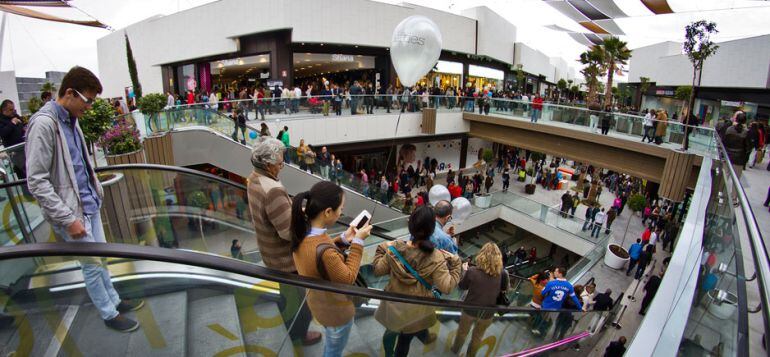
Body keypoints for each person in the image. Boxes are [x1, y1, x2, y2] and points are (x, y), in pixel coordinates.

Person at [25, 66, 144, 332]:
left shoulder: (70, 120)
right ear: (70, 93)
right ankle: (108, 313)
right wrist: (68, 220)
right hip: (72, 214)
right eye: (87, 100)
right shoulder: (44, 124)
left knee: (99, 259)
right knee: (91, 265)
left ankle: (113, 299)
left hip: (88, 204)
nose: (89, 107)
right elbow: (36, 181)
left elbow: (77, 163)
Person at [246, 136, 321, 346]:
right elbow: (288, 233)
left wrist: (294, 211)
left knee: (286, 293)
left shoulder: (253, 178)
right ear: (268, 164)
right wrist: (311, 221)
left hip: (268, 251)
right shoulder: (273, 190)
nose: (283, 166)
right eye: (280, 163)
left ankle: (291, 325)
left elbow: (274, 214)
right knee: (302, 303)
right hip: (284, 259)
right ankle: (299, 334)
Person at [291, 181, 372, 357]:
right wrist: (358, 241)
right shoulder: (324, 249)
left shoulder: (303, 230)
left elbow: (319, 254)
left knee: (332, 342)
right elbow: (348, 278)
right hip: (336, 313)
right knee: (334, 350)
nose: (341, 212)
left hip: (318, 305)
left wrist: (343, 239)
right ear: (328, 212)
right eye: (340, 208)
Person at [373, 206, 462, 357]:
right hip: (416, 311)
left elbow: (378, 270)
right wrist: (456, 263)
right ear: (431, 229)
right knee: (405, 340)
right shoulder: (436, 257)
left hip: (393, 304)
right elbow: (446, 287)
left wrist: (383, 247)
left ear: (410, 224)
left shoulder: (395, 248)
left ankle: (388, 355)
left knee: (390, 332)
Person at [451, 243, 508, 357]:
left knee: (462, 333)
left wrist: (464, 271)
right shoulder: (502, 274)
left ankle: (454, 351)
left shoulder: (473, 271)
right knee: (478, 337)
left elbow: (462, 286)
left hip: (470, 309)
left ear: (482, 255)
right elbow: (504, 290)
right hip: (488, 312)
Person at [0, 99, 27, 178]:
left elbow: (23, 124)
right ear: (4, 110)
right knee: (22, 173)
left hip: (24, 148)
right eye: (11, 110)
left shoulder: (15, 115)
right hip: (14, 152)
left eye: (14, 109)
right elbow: (3, 133)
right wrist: (12, 123)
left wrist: (23, 126)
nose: (13, 111)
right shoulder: (1, 120)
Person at [723, 112, 752, 178]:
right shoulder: (746, 132)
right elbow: (748, 148)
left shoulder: (729, 129)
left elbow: (724, 142)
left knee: (724, 178)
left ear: (736, 119)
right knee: (736, 179)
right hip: (739, 158)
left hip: (727, 155)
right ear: (745, 121)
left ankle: (721, 188)